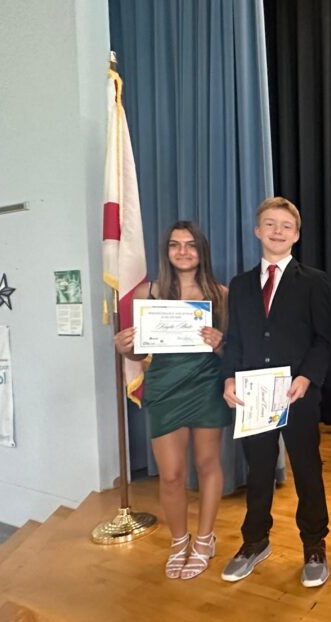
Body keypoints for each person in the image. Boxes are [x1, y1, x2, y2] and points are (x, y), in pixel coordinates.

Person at [220, 196, 331, 587]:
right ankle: (254, 541)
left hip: (297, 394)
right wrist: (230, 378)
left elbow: (323, 339)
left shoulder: (315, 281)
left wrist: (307, 378)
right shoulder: (239, 285)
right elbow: (233, 339)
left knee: (306, 469)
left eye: (286, 226)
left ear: (296, 234)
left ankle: (315, 545)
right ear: (257, 230)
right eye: (270, 224)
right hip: (254, 395)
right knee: (259, 470)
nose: (277, 231)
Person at [114, 221, 230, 579]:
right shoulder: (147, 294)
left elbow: (232, 352)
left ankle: (205, 539)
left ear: (202, 251)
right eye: (175, 245)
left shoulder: (220, 294)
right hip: (164, 385)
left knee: (208, 464)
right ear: (166, 251)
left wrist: (220, 342)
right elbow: (137, 355)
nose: (183, 252)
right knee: (171, 475)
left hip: (207, 383)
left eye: (191, 245)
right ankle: (179, 541)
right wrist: (125, 349)